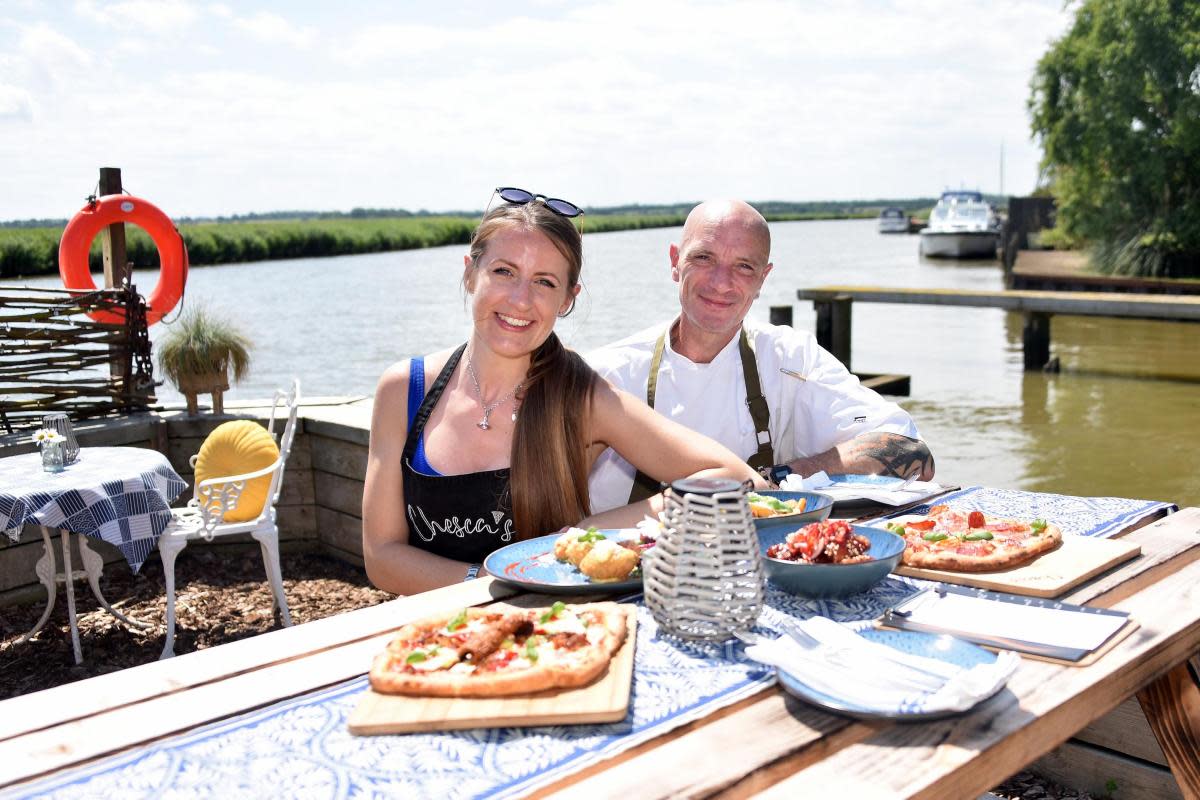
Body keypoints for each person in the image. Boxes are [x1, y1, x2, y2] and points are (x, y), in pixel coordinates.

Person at [362, 189, 762, 595]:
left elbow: (738, 480)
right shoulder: (405, 390)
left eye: (544, 282)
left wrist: (592, 530)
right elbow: (381, 555)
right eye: (504, 271)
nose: (520, 300)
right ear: (470, 272)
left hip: (555, 630)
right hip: (430, 638)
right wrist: (492, 580)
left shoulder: (581, 398)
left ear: (568, 299)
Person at [587, 199, 935, 513]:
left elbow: (912, 452)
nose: (721, 282)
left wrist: (776, 479)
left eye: (744, 267)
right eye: (704, 258)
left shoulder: (792, 359)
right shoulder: (607, 373)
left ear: (763, 278)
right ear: (675, 262)